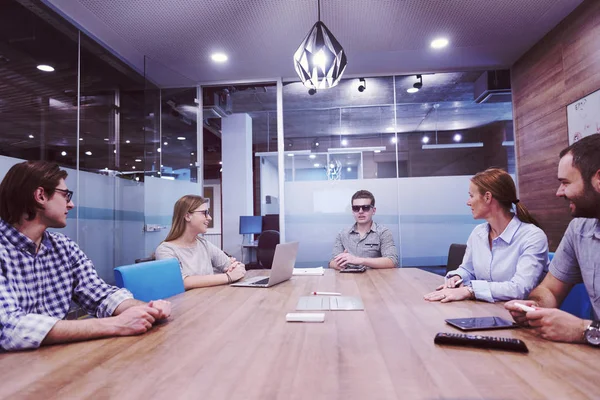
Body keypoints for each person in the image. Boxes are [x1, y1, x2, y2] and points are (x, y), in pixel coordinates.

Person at [0, 161, 171, 352]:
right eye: (65, 195)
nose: (71, 204)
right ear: (40, 195)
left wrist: (145, 310)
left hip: (53, 361)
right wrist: (116, 324)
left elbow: (98, 293)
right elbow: (8, 327)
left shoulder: (63, 247)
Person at [505, 134, 600, 345]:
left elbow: (582, 330)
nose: (559, 192)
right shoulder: (579, 229)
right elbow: (549, 289)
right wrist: (533, 306)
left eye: (565, 183)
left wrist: (583, 330)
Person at [424, 168, 548, 303]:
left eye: (471, 196)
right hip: (485, 309)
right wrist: (457, 277)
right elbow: (468, 269)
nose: (468, 202)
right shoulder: (478, 233)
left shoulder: (532, 237)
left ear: (487, 197)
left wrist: (470, 290)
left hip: (518, 317)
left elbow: (519, 289)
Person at [155, 195, 246, 289]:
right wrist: (228, 277)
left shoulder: (204, 244)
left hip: (208, 298)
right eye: (204, 213)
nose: (209, 218)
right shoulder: (165, 250)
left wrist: (236, 267)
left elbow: (233, 266)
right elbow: (180, 282)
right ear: (187, 216)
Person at [329, 190, 398, 270]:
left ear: (373, 210)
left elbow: (392, 261)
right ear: (352, 211)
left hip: (375, 280)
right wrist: (338, 264)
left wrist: (358, 260)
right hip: (349, 279)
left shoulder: (383, 232)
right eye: (356, 208)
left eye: (365, 208)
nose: (360, 211)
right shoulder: (343, 233)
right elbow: (332, 262)